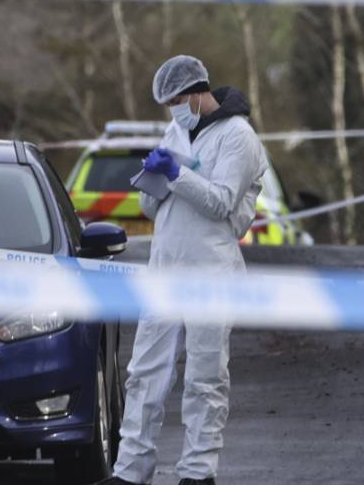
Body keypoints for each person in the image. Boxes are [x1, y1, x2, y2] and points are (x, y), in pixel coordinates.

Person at [99, 56, 268, 485]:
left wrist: (176, 174)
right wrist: (152, 179)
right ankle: (131, 470)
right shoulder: (176, 131)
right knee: (144, 373)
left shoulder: (238, 136)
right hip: (165, 271)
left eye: (175, 101)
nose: (172, 110)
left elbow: (221, 203)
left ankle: (198, 470)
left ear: (196, 93)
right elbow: (151, 208)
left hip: (211, 272)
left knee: (204, 377)